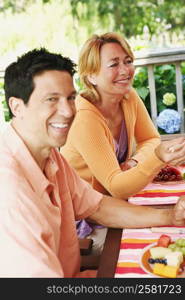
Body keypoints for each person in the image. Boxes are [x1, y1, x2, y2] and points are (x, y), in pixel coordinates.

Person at [1, 48, 185, 278]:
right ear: (17, 107)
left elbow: (97, 207)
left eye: (70, 98)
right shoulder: (10, 193)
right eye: (51, 99)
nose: (68, 111)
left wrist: (170, 217)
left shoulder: (49, 156)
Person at [60, 32, 185, 252]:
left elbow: (150, 139)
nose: (125, 71)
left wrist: (136, 162)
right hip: (88, 222)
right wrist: (156, 158)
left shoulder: (128, 97)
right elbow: (118, 187)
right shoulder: (84, 118)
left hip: (120, 205)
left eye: (128, 61)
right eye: (114, 64)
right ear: (91, 77)